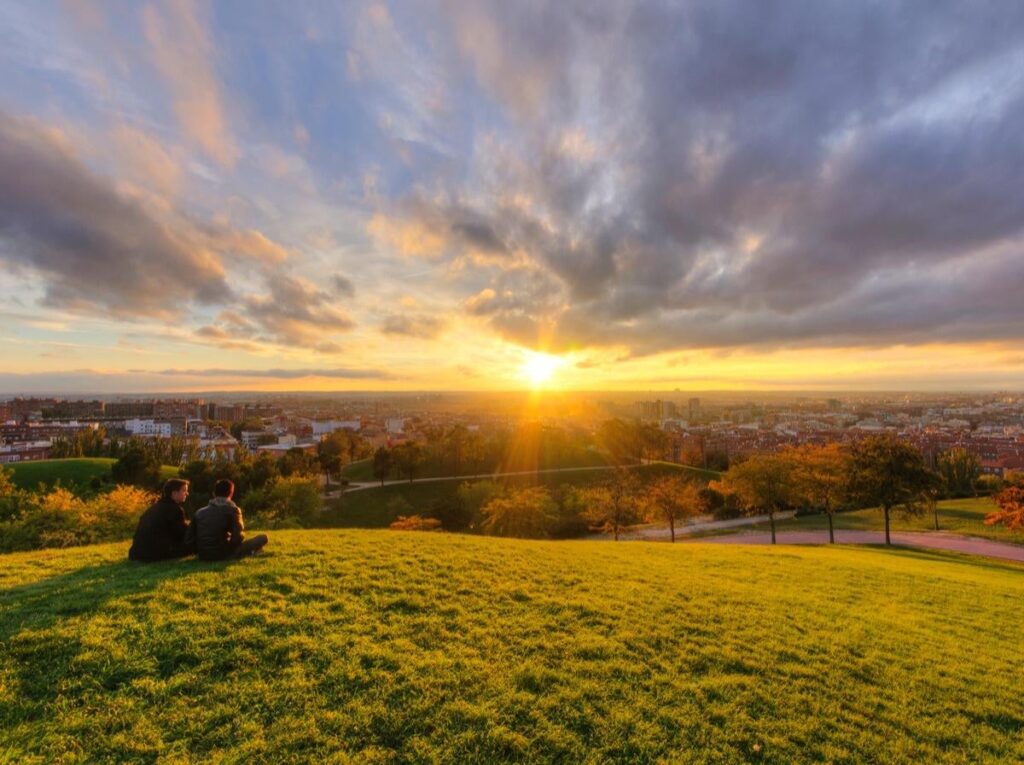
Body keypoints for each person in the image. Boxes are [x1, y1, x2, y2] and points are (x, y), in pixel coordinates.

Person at [186, 479, 268, 561]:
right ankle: (253, 551)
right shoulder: (233, 510)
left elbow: (189, 538)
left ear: (214, 493)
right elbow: (237, 537)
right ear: (231, 494)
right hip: (224, 554)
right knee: (263, 538)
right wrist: (231, 547)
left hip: (203, 555)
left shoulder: (199, 512)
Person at [128, 478, 193, 562]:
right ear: (174, 493)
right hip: (155, 554)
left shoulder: (154, 508)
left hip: (137, 553)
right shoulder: (174, 509)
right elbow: (182, 534)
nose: (187, 493)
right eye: (184, 490)